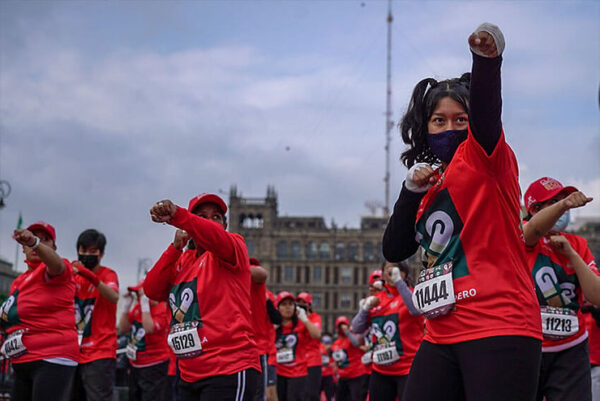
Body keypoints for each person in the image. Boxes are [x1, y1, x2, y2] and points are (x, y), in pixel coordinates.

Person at [382, 23, 542, 401]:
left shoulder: (484, 156)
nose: (450, 127)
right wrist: (408, 193)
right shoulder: (428, 184)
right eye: (440, 120)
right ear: (425, 127)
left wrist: (486, 63)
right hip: (441, 330)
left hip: (498, 323)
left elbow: (487, 112)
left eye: (460, 119)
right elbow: (394, 249)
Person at [144, 193, 260, 401]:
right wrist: (175, 248)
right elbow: (152, 289)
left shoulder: (234, 246)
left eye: (216, 217)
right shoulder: (182, 261)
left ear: (224, 224)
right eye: (202, 216)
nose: (210, 221)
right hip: (190, 372)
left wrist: (178, 215)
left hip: (229, 368)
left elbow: (213, 236)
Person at [522, 177, 597, 401]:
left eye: (564, 200)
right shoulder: (521, 238)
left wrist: (572, 256)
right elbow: (532, 229)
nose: (565, 206)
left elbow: (597, 295)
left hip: (571, 349)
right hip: (527, 347)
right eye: (554, 202)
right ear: (534, 209)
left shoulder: (577, 244)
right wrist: (563, 205)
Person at [1, 222, 78, 401]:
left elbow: (56, 265)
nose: (38, 243)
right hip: (23, 359)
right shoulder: (18, 282)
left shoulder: (59, 269)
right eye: (34, 238)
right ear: (22, 249)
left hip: (52, 357)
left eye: (45, 240)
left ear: (53, 247)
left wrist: (34, 242)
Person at [351, 262, 424, 401]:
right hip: (381, 370)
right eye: (387, 268)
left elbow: (416, 309)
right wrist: (364, 309)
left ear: (404, 273)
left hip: (407, 368)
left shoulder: (412, 294)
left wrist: (399, 283)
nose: (391, 271)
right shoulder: (376, 300)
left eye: (395, 268)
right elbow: (356, 329)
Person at [72, 228, 119, 401]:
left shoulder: (108, 274)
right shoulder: (73, 276)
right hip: (73, 352)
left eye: (92, 251)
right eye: (83, 251)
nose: (86, 255)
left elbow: (113, 296)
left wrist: (89, 275)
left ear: (101, 253)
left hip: (100, 352)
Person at [118, 281, 171, 401]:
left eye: (140, 293)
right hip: (135, 364)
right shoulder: (138, 308)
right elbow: (123, 329)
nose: (138, 296)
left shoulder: (161, 309)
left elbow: (149, 328)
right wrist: (126, 308)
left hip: (154, 365)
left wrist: (145, 305)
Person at [273, 291, 320, 401]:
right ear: (278, 308)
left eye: (290, 304)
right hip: (278, 372)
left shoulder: (300, 324)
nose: (288, 308)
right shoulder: (274, 327)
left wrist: (305, 319)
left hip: (297, 372)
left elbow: (316, 335)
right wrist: (272, 328)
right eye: (284, 305)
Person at [250, 258, 282, 401]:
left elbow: (276, 318)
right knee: (263, 393)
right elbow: (277, 319)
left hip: (259, 347)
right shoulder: (266, 295)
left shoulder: (265, 294)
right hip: (260, 347)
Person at [331, 316, 367, 401]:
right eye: (340, 326)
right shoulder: (336, 342)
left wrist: (347, 332)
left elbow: (356, 344)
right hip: (342, 376)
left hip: (355, 375)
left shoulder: (352, 337)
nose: (342, 328)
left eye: (344, 325)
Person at [295, 291, 322, 401]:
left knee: (311, 394)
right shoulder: (293, 320)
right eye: (298, 303)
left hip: (312, 362)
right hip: (297, 362)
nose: (301, 305)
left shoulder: (315, 317)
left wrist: (304, 318)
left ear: (309, 305)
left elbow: (316, 334)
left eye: (304, 303)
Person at [319, 333, 335, 401]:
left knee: (330, 394)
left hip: (329, 374)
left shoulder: (333, 347)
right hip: (318, 374)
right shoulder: (319, 347)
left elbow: (335, 360)